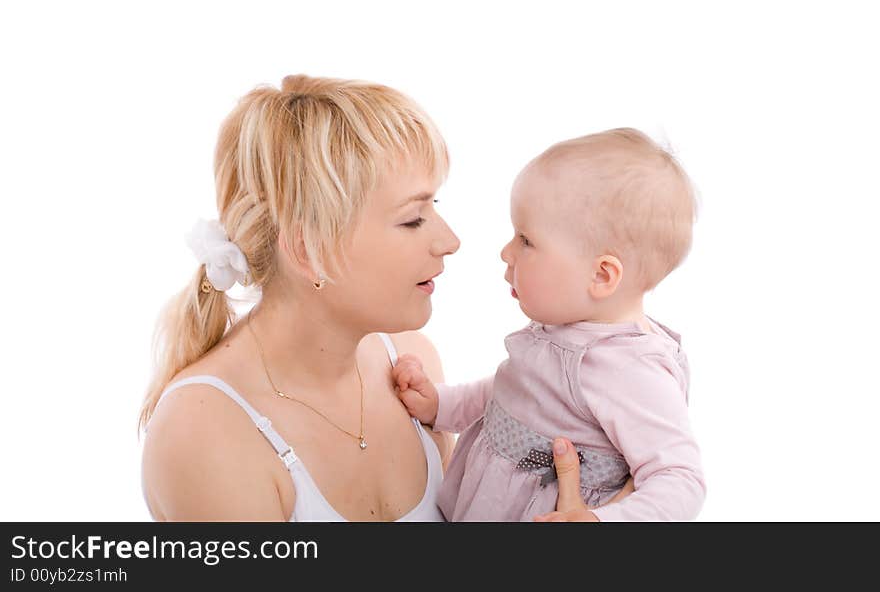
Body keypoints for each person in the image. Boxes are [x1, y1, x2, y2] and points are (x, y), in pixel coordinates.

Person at [138, 74, 600, 521]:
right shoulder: (203, 434)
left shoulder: (411, 367)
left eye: (434, 207)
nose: (450, 240)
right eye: (412, 219)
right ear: (308, 250)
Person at [393, 128, 707, 521]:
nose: (506, 253)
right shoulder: (567, 330)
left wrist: (601, 521)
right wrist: (442, 404)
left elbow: (680, 478)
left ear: (602, 276)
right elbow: (513, 392)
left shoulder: (630, 368)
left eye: (526, 241)